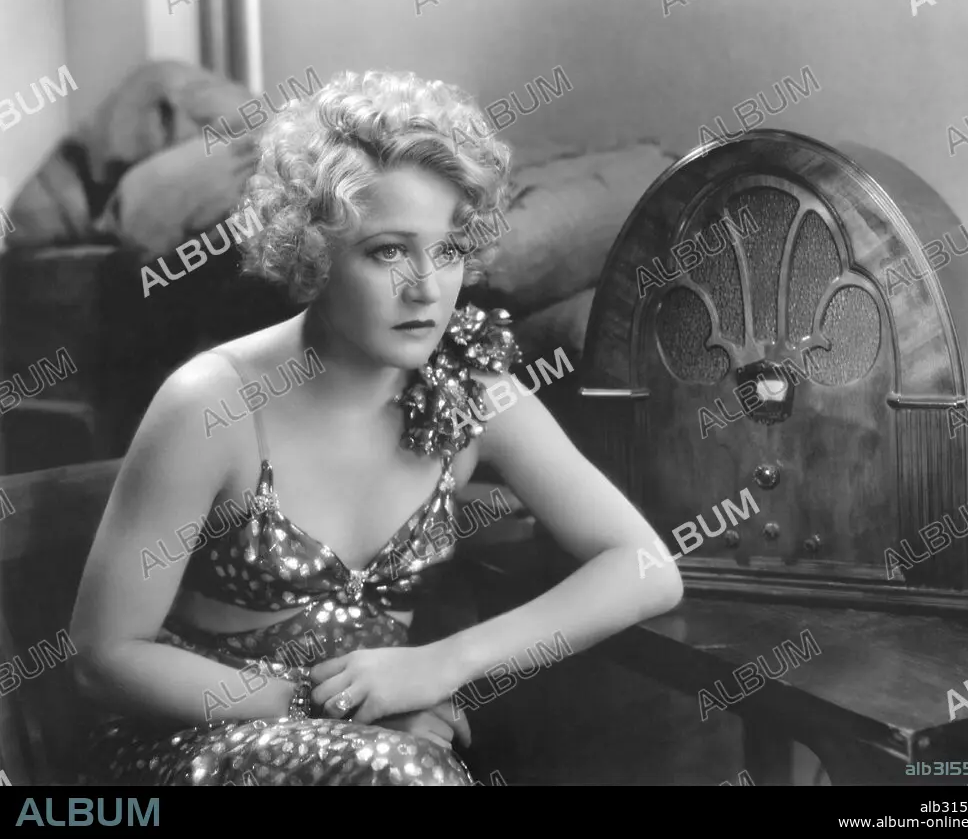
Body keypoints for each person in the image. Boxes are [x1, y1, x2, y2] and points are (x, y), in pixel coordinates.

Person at [68, 70, 684, 786]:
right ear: (314, 250)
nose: (425, 287)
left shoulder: (472, 392)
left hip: (384, 747)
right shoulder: (211, 404)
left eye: (447, 250)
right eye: (388, 251)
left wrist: (441, 665)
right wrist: (332, 707)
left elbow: (647, 568)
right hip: (193, 742)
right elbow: (103, 658)